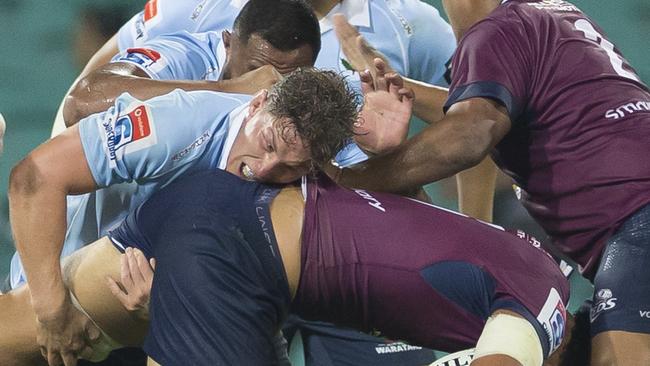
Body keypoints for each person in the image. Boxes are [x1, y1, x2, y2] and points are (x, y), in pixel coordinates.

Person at [327, 0, 650, 363]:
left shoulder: (494, 30)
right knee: (567, 351)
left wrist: (345, 181)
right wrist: (403, 89)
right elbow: (480, 105)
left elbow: (470, 132)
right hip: (632, 222)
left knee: (619, 358)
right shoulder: (550, 14)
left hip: (635, 220)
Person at [1, 167, 578, 366]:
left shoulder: (513, 250)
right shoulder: (542, 303)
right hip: (235, 259)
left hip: (214, 202)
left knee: (28, 329)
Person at [8, 67, 372, 366]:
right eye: (267, 144)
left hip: (155, 311)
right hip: (61, 289)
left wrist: (168, 306)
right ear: (258, 103)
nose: (263, 169)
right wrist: (51, 310)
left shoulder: (305, 191)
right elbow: (34, 177)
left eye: (289, 167)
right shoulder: (179, 124)